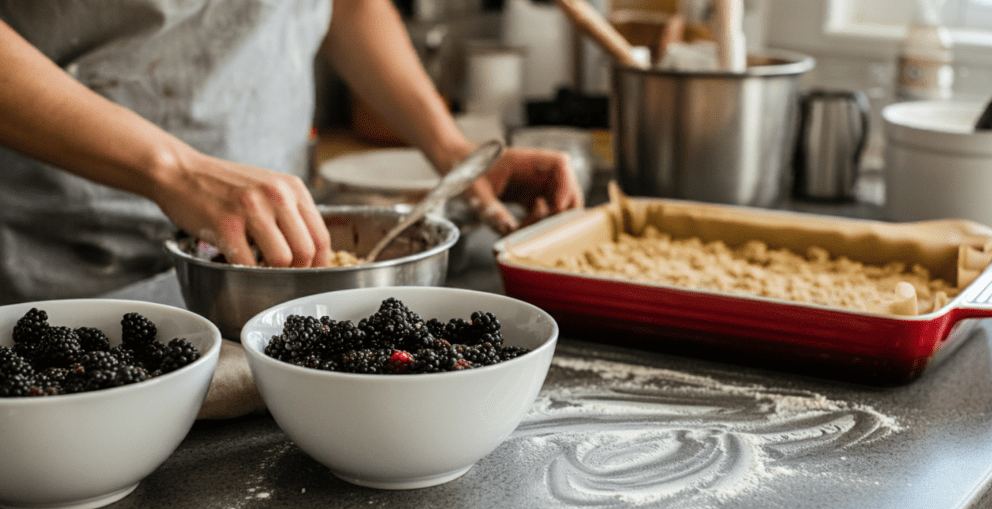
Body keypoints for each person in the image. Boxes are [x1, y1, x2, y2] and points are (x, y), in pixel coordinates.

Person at [0, 0, 583, 305]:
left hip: (272, 257)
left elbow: (347, 6)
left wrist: (452, 150)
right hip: (66, 251)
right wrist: (175, 168)